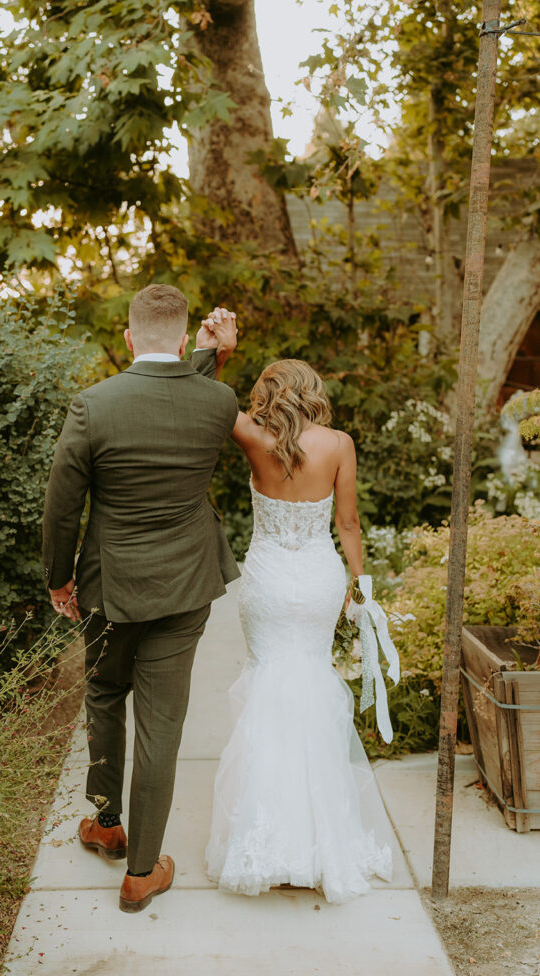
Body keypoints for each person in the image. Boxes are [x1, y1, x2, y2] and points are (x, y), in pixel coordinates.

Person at [42, 285, 239, 914]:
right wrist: (215, 354)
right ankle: (142, 871)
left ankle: (104, 823)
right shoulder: (218, 400)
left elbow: (61, 503)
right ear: (184, 339)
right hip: (185, 586)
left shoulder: (93, 405)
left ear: (128, 338)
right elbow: (184, 393)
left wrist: (57, 578)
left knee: (103, 694)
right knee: (162, 726)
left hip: (110, 584)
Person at [203, 315, 398, 903]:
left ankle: (265, 836)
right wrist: (359, 589)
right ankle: (320, 838)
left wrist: (223, 352)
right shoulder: (339, 445)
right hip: (316, 577)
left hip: (265, 578)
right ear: (313, 392)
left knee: (268, 686)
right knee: (311, 685)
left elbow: (205, 395)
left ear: (267, 395)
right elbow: (348, 525)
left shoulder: (252, 437)